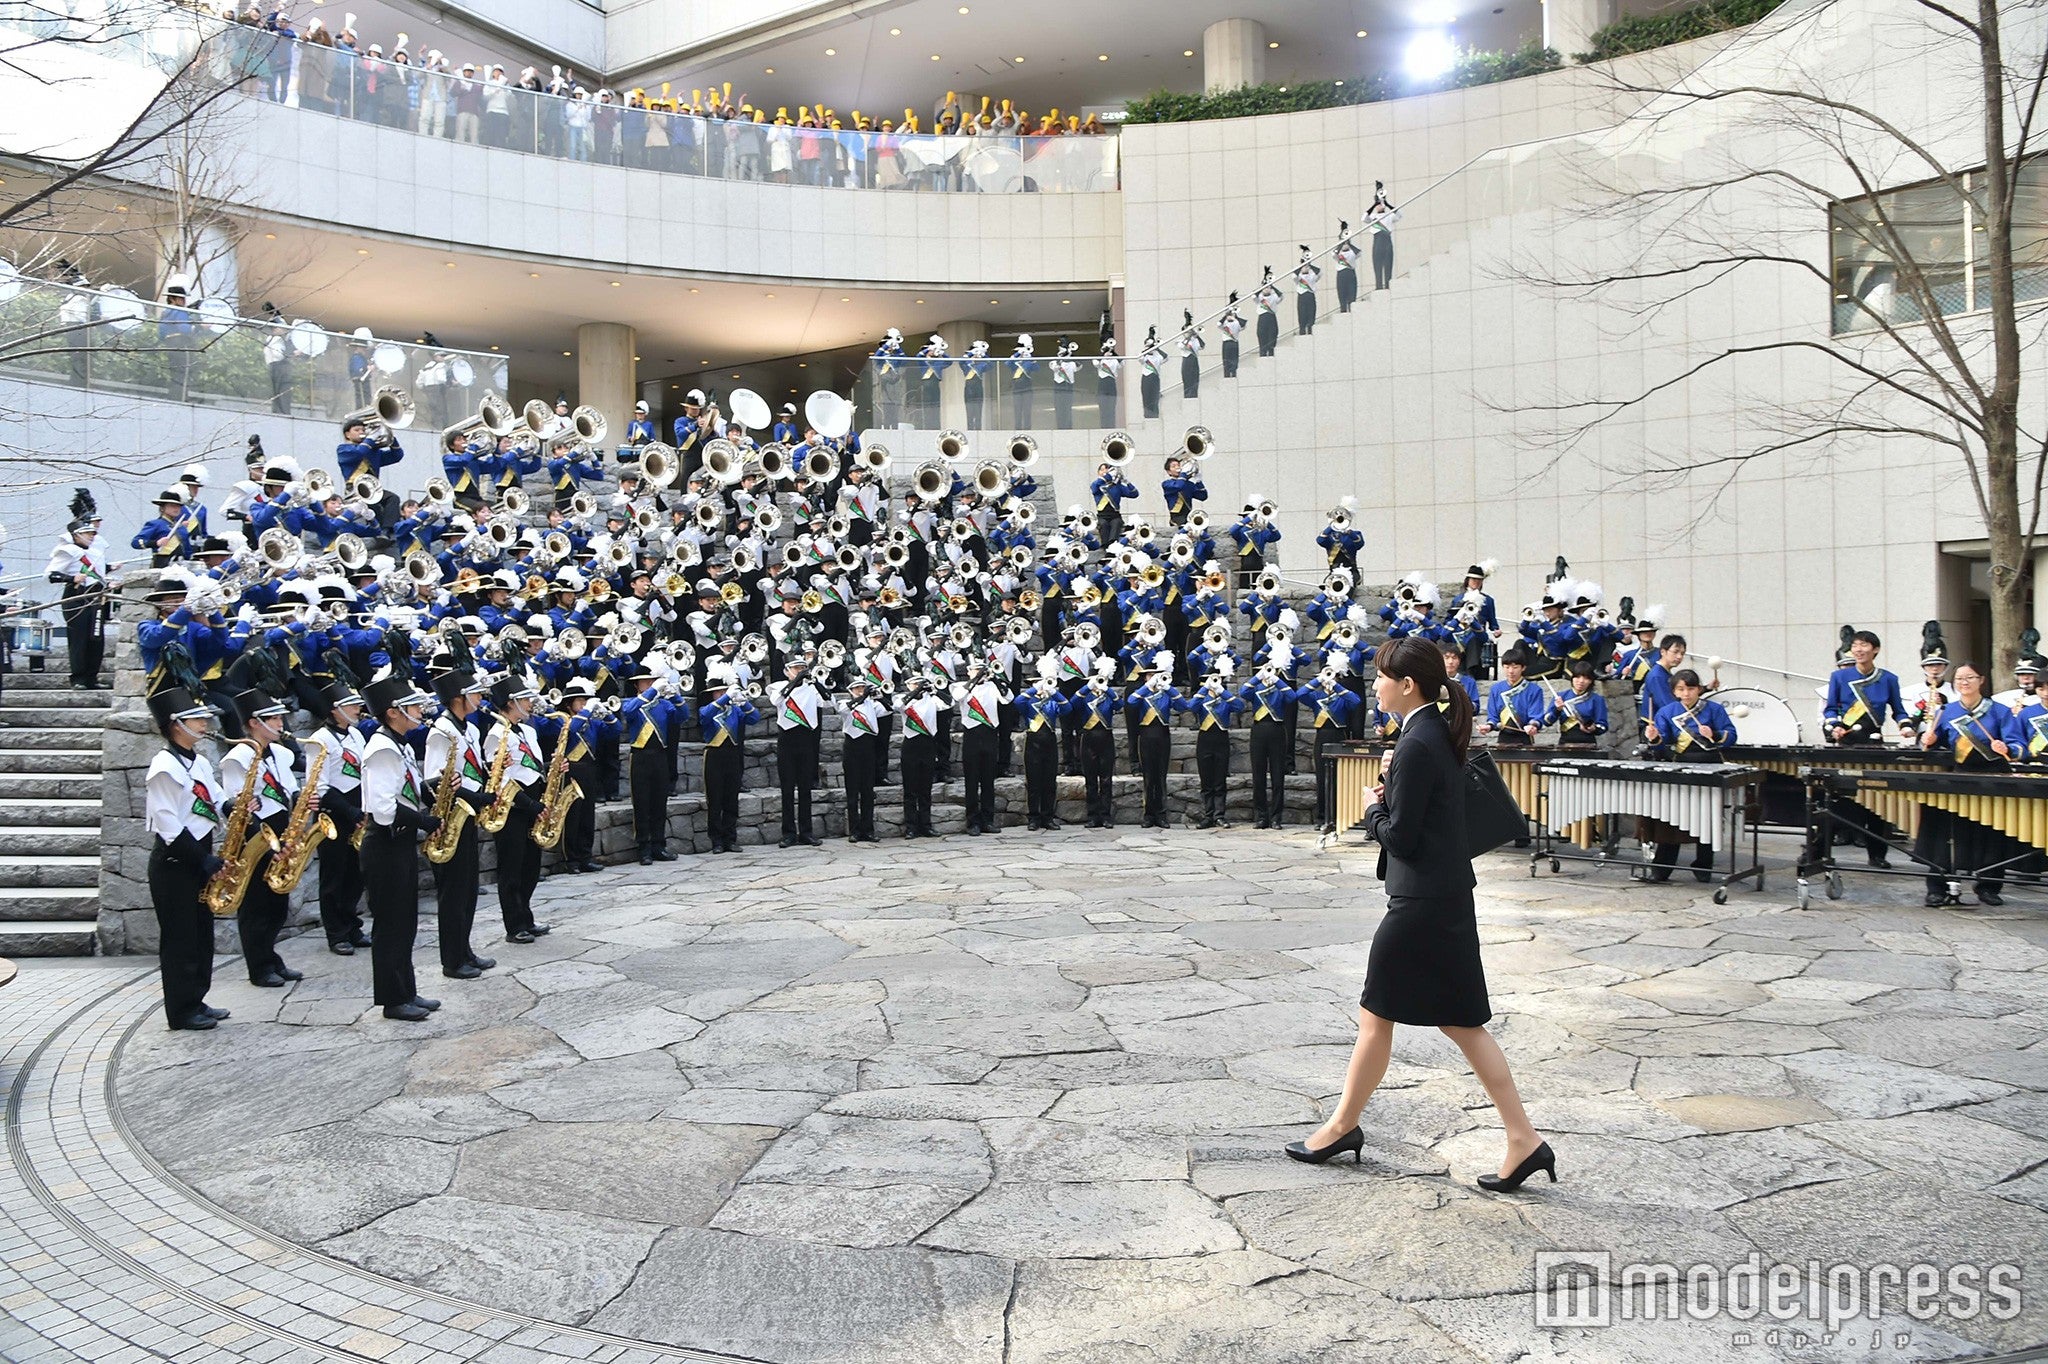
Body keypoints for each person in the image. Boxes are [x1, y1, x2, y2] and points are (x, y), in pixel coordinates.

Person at [1287, 636, 1553, 1194]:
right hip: (1441, 898)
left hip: (1420, 906)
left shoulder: (1417, 742)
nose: (1375, 684)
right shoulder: (1431, 733)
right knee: (1457, 1024)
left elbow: (1402, 838)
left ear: (1407, 685)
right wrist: (1395, 792)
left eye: (1382, 676)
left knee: (1380, 1015)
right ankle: (1523, 1139)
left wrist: (1373, 809)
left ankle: (1341, 1127)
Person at [144, 687, 228, 1031]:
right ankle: (180, 1010)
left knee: (201, 934)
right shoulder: (163, 766)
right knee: (180, 938)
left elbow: (216, 797)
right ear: (176, 724)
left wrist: (235, 808)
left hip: (198, 856)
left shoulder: (200, 760)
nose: (204, 723)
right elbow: (167, 824)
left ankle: (197, 997)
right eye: (196, 718)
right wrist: (202, 860)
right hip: (176, 862)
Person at [358, 676, 441, 1021]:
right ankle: (393, 1000)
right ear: (393, 712)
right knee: (391, 924)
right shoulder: (381, 749)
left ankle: (407, 990)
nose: (420, 711)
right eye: (413, 706)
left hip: (400, 841)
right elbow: (383, 806)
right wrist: (424, 820)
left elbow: (406, 788)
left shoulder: (400, 745)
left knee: (405, 921)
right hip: (385, 843)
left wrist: (435, 787)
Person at [1918, 661, 2024, 907]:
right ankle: (1936, 886)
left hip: (1993, 777)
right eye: (1959, 679)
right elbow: (1934, 744)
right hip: (1958, 777)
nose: (1964, 683)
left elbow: (2018, 744)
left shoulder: (1999, 711)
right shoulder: (1947, 711)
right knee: (1943, 831)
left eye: (1969, 678)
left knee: (1992, 833)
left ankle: (1988, 886)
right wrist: (1930, 739)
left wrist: (2006, 747)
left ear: (1981, 680)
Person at [216, 689, 302, 988]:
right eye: (274, 719)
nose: (281, 724)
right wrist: (268, 844)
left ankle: (270, 957)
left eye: (280, 717)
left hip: (280, 829)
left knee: (277, 903)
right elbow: (240, 809)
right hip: (254, 836)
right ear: (254, 723)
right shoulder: (237, 758)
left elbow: (289, 789)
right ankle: (259, 965)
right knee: (256, 906)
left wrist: (302, 802)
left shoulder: (279, 753)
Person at [425, 671, 494, 979]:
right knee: (453, 893)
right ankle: (452, 960)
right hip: (452, 813)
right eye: (475, 694)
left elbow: (469, 769)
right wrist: (475, 798)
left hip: (467, 812)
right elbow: (435, 779)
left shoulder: (468, 729)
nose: (480, 699)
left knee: (467, 889)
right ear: (458, 698)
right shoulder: (440, 731)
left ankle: (464, 950)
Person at [1641, 668, 1734, 882]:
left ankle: (1704, 865)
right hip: (1680, 766)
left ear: (1699, 689)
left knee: (1708, 819)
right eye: (1681, 689)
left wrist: (1715, 734)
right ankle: (1662, 868)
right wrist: (1654, 738)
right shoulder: (1666, 712)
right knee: (1672, 818)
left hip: (1710, 766)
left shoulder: (1714, 710)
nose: (1686, 694)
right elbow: (1661, 746)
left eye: (1690, 688)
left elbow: (1732, 735)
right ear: (1674, 691)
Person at [303, 682, 372, 955]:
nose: (357, 709)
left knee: (356, 872)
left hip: (357, 807)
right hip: (333, 812)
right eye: (351, 705)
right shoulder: (320, 739)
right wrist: (349, 811)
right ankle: (336, 932)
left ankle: (352, 924)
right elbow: (318, 784)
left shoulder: (355, 734)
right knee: (334, 874)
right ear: (335, 710)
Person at [484, 678, 550, 941]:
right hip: (512, 807)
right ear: (510, 703)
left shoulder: (528, 731)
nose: (530, 703)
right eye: (524, 700)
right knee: (511, 867)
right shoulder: (495, 735)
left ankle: (526, 915)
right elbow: (499, 779)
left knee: (531, 864)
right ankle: (515, 925)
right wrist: (530, 804)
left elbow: (532, 767)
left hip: (532, 802)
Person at [46, 498, 113, 689]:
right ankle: (79, 678)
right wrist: (71, 579)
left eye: (92, 533)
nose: (92, 536)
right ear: (76, 535)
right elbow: (51, 575)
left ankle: (92, 677)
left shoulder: (94, 550)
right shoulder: (67, 551)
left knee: (96, 638)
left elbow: (96, 573)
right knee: (79, 638)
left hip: (96, 595)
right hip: (76, 596)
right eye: (87, 533)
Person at [620, 667, 682, 863]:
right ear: (637, 685)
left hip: (660, 757)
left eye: (652, 681)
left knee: (659, 802)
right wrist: (652, 691)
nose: (649, 684)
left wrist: (676, 696)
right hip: (640, 757)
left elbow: (682, 716)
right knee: (642, 803)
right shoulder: (633, 702)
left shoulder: (663, 704)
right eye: (645, 682)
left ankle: (658, 845)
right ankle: (644, 848)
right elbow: (627, 712)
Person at [698, 666, 759, 852]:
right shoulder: (707, 709)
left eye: (724, 691)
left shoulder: (735, 710)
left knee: (731, 799)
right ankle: (716, 840)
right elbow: (704, 716)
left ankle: (730, 838)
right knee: (715, 799)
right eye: (719, 692)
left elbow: (755, 718)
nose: (722, 694)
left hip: (732, 755)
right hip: (714, 754)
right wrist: (726, 697)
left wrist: (744, 703)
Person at [772, 657, 826, 846]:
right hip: (787, 739)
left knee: (805, 789)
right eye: (796, 668)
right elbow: (777, 700)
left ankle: (806, 832)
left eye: (803, 668)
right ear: (787, 671)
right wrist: (795, 681)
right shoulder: (778, 686)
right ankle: (788, 833)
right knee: (787, 789)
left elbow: (827, 701)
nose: (800, 670)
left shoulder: (811, 689)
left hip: (806, 739)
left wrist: (816, 683)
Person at [1127, 655, 1179, 828]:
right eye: (1150, 675)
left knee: (1161, 776)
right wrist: (1147, 687)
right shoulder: (1141, 694)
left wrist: (1168, 688)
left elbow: (1183, 706)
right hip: (1146, 736)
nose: (1154, 678)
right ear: (1145, 677)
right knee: (1148, 777)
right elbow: (1131, 701)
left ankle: (1161, 814)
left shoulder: (1165, 694)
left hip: (1163, 736)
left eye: (1156, 674)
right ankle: (1148, 814)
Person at [1241, 663, 1295, 829]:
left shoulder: (1280, 689)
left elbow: (1292, 697)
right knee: (1258, 775)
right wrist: (1259, 676)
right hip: (1259, 730)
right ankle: (1261, 816)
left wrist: (1277, 680)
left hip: (1277, 730)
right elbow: (1243, 692)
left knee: (1278, 776)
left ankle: (1276, 817)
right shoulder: (1256, 689)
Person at [1073, 661, 1121, 829]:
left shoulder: (1108, 696)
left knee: (1106, 779)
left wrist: (1107, 688)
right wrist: (1087, 687)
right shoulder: (1084, 696)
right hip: (1088, 738)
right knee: (1091, 779)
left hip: (1106, 737)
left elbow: (1119, 705)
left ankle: (1106, 815)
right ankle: (1093, 816)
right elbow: (1072, 704)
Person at [839, 674, 886, 842]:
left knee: (867, 791)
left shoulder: (872, 705)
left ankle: (868, 829)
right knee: (852, 792)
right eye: (857, 688)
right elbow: (844, 711)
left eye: (862, 688)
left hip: (868, 747)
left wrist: (879, 695)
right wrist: (863, 697)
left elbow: (888, 709)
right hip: (851, 748)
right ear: (850, 691)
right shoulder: (845, 703)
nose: (860, 691)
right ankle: (854, 830)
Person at [899, 673, 943, 837]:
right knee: (910, 789)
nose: (918, 687)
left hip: (928, 744)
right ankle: (911, 826)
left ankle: (926, 824)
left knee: (926, 788)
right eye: (914, 684)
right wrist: (915, 692)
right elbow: (899, 705)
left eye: (920, 684)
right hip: (910, 744)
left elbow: (948, 702)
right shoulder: (903, 699)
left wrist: (934, 690)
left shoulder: (931, 700)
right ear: (909, 685)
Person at [1545, 662, 1608, 749]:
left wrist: (1593, 728)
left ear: (1590, 681)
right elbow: (1547, 721)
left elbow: (1603, 725)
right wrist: (1557, 710)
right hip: (1565, 743)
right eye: (1577, 677)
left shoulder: (1597, 699)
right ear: (1572, 678)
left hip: (1588, 744)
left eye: (1586, 678)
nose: (1581, 681)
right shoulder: (1561, 696)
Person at [1367, 181, 1398, 290]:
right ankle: (1378, 286)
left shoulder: (1389, 215)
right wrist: (1374, 205)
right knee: (1377, 266)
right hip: (1377, 242)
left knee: (1388, 265)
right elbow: (1364, 218)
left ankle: (1388, 285)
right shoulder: (1373, 217)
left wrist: (1387, 203)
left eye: (1381, 203)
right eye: (1378, 204)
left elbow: (1398, 214)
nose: (1380, 205)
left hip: (1387, 242)